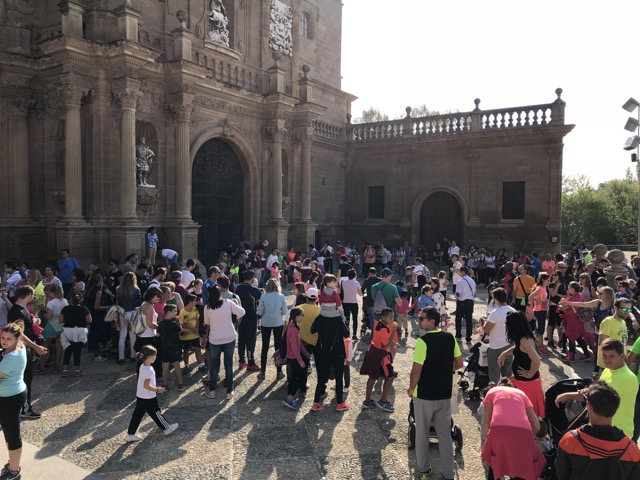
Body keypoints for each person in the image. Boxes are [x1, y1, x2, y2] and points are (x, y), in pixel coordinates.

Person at [407, 307, 463, 480]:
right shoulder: (450, 338)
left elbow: (416, 371)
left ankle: (424, 470)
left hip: (424, 394)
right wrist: (443, 368)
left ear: (432, 321)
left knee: (422, 434)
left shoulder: (422, 342)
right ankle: (449, 474)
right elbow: (459, 363)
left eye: (422, 318)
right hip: (444, 394)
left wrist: (411, 388)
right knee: (445, 435)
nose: (419, 321)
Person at [555, 381, 640, 480]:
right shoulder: (631, 449)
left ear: (589, 407)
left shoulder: (570, 441)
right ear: (615, 409)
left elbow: (561, 474)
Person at [481, 382, 545, 480]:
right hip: (523, 433)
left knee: (495, 463)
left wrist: (489, 440)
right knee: (522, 468)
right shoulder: (522, 394)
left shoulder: (491, 392)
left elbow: (486, 422)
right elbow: (536, 426)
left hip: (498, 431)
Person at [7, 286, 48, 420]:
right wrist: (36, 347)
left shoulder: (24, 309)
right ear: (29, 295)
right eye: (33, 294)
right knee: (24, 379)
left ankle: (23, 407)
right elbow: (20, 334)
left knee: (26, 378)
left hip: (25, 349)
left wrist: (34, 321)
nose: (34, 297)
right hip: (20, 349)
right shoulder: (15, 312)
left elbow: (27, 324)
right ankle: (25, 408)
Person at [310, 278, 350, 412]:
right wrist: (343, 319)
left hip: (322, 351)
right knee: (339, 377)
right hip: (337, 351)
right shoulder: (338, 319)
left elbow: (312, 330)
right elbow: (346, 334)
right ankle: (339, 403)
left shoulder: (320, 318)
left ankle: (316, 402)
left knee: (322, 377)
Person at [125, 345, 178, 443]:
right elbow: (146, 385)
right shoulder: (148, 370)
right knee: (156, 413)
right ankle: (167, 428)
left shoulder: (142, 366)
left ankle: (130, 434)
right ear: (149, 357)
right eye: (155, 355)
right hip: (148, 396)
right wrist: (157, 390)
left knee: (137, 415)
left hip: (141, 395)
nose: (156, 357)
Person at [498, 311, 545, 417]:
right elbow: (519, 348)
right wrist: (504, 353)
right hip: (523, 382)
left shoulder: (524, 340)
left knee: (526, 414)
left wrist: (530, 373)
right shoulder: (523, 336)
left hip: (527, 384)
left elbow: (536, 361)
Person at [203, 285, 245, 400]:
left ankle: (212, 390)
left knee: (214, 365)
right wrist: (236, 317)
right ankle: (229, 392)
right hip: (229, 337)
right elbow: (242, 311)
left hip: (215, 339)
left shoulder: (207, 307)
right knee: (229, 364)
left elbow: (207, 322)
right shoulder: (228, 303)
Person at [0, 322, 29, 480]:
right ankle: (13, 463)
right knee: (9, 432)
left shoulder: (11, 358)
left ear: (16, 339)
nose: (4, 341)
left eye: (8, 339)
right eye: (3, 337)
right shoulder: (19, 346)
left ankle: (14, 471)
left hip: (9, 398)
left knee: (12, 434)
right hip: (14, 392)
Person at [360, 307, 398, 412]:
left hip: (374, 352)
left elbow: (381, 339)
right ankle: (383, 401)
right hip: (380, 356)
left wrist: (394, 343)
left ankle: (367, 400)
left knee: (372, 376)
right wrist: (394, 332)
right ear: (383, 318)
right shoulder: (383, 328)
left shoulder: (381, 324)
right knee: (390, 376)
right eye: (390, 318)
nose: (392, 320)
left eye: (393, 318)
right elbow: (386, 344)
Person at [256, 278, 288, 380]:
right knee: (278, 347)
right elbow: (285, 312)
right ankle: (279, 371)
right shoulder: (281, 296)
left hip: (266, 323)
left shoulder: (263, 296)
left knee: (265, 347)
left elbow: (260, 311)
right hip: (278, 322)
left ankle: (262, 371)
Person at [481, 287, 515, 383]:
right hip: (509, 345)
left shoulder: (495, 313)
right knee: (507, 374)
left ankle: (495, 390)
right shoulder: (513, 310)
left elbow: (487, 330)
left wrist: (484, 323)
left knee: (494, 375)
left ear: (495, 299)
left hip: (496, 347)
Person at [283, 308, 310, 411]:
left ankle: (289, 397)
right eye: (302, 315)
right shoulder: (293, 329)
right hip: (294, 357)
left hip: (293, 357)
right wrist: (301, 361)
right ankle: (289, 399)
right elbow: (294, 348)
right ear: (297, 317)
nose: (303, 317)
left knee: (294, 378)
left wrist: (305, 353)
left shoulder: (293, 327)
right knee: (299, 378)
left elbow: (299, 343)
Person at [59, 293, 92, 377]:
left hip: (68, 330)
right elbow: (89, 320)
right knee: (77, 350)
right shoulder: (84, 308)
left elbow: (61, 320)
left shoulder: (65, 309)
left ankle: (65, 369)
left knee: (68, 349)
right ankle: (77, 369)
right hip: (80, 330)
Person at [235, 270, 261, 371]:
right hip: (251, 317)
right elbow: (260, 300)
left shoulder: (238, 288)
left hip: (240, 317)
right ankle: (251, 362)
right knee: (250, 341)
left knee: (241, 339)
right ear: (253, 278)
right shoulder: (254, 290)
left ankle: (241, 360)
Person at [116, 272, 141, 365]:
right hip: (132, 313)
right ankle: (132, 356)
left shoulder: (119, 289)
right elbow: (139, 303)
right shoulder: (136, 289)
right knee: (132, 335)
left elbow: (117, 301)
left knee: (122, 335)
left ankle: (121, 357)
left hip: (122, 313)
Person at [158, 304, 184, 391]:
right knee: (177, 366)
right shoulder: (173, 324)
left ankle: (164, 385)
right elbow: (180, 330)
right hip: (174, 348)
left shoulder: (160, 324)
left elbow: (158, 334)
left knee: (165, 367)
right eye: (175, 311)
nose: (176, 313)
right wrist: (178, 321)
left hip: (164, 348)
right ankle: (180, 384)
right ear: (169, 313)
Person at [179, 294, 205, 372]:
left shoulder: (195, 310)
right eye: (194, 301)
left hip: (195, 335)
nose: (196, 302)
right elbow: (181, 323)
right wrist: (191, 328)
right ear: (190, 302)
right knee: (186, 350)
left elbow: (197, 319)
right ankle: (186, 365)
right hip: (185, 336)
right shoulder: (182, 312)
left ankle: (200, 365)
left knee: (198, 349)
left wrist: (196, 328)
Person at [528, 273, 551, 355]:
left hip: (543, 310)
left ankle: (530, 339)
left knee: (540, 328)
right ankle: (541, 347)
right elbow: (530, 297)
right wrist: (538, 301)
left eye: (549, 280)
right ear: (543, 280)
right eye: (547, 280)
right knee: (541, 329)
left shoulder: (543, 288)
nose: (549, 282)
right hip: (539, 310)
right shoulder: (540, 288)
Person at [454, 266, 476, 342]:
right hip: (470, 302)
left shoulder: (461, 281)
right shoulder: (472, 281)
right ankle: (468, 337)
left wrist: (457, 298)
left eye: (460, 272)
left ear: (463, 272)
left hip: (462, 302)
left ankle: (458, 335)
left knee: (458, 319)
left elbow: (458, 293)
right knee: (469, 320)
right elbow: (474, 293)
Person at [341, 269, 362, 340]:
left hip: (345, 302)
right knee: (355, 319)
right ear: (355, 275)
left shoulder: (343, 282)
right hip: (354, 302)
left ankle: (346, 333)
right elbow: (360, 293)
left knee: (346, 318)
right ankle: (354, 334)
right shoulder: (356, 283)